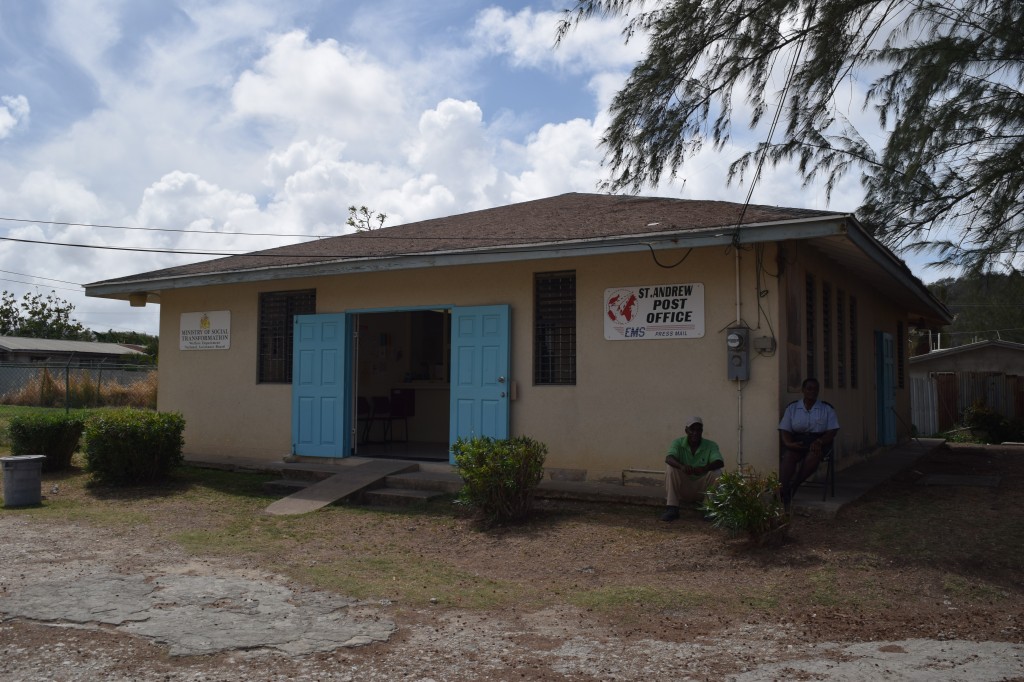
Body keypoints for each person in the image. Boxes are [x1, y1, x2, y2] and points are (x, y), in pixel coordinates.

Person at [778, 378, 839, 507]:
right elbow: (785, 429)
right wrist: (788, 443)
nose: (812, 391)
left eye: (815, 389)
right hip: (799, 441)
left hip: (819, 441)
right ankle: (783, 489)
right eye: (809, 388)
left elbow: (832, 431)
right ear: (803, 390)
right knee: (788, 456)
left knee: (813, 455)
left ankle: (793, 487)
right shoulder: (793, 407)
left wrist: (820, 441)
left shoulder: (827, 408)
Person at [661, 416, 725, 522]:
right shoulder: (677, 443)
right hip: (683, 488)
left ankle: (708, 508)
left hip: (702, 489)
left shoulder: (711, 445)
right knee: (671, 469)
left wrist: (705, 468)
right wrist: (682, 466)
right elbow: (669, 458)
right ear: (686, 430)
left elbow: (719, 462)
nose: (695, 433)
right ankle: (672, 508)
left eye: (698, 429)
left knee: (717, 472)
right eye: (692, 429)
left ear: (702, 431)